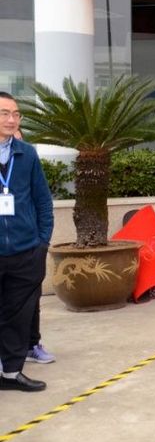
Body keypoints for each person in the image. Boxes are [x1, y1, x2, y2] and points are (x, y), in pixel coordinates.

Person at [0, 91, 54, 392]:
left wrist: (42, 242)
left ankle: (11, 373)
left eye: (16, 114)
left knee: (18, 317)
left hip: (25, 251)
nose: (12, 119)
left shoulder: (27, 154)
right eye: (4, 113)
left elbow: (42, 200)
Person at [12, 124, 55, 365]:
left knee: (30, 301)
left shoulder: (27, 159)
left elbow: (43, 201)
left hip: (28, 247)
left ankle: (31, 345)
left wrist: (42, 241)